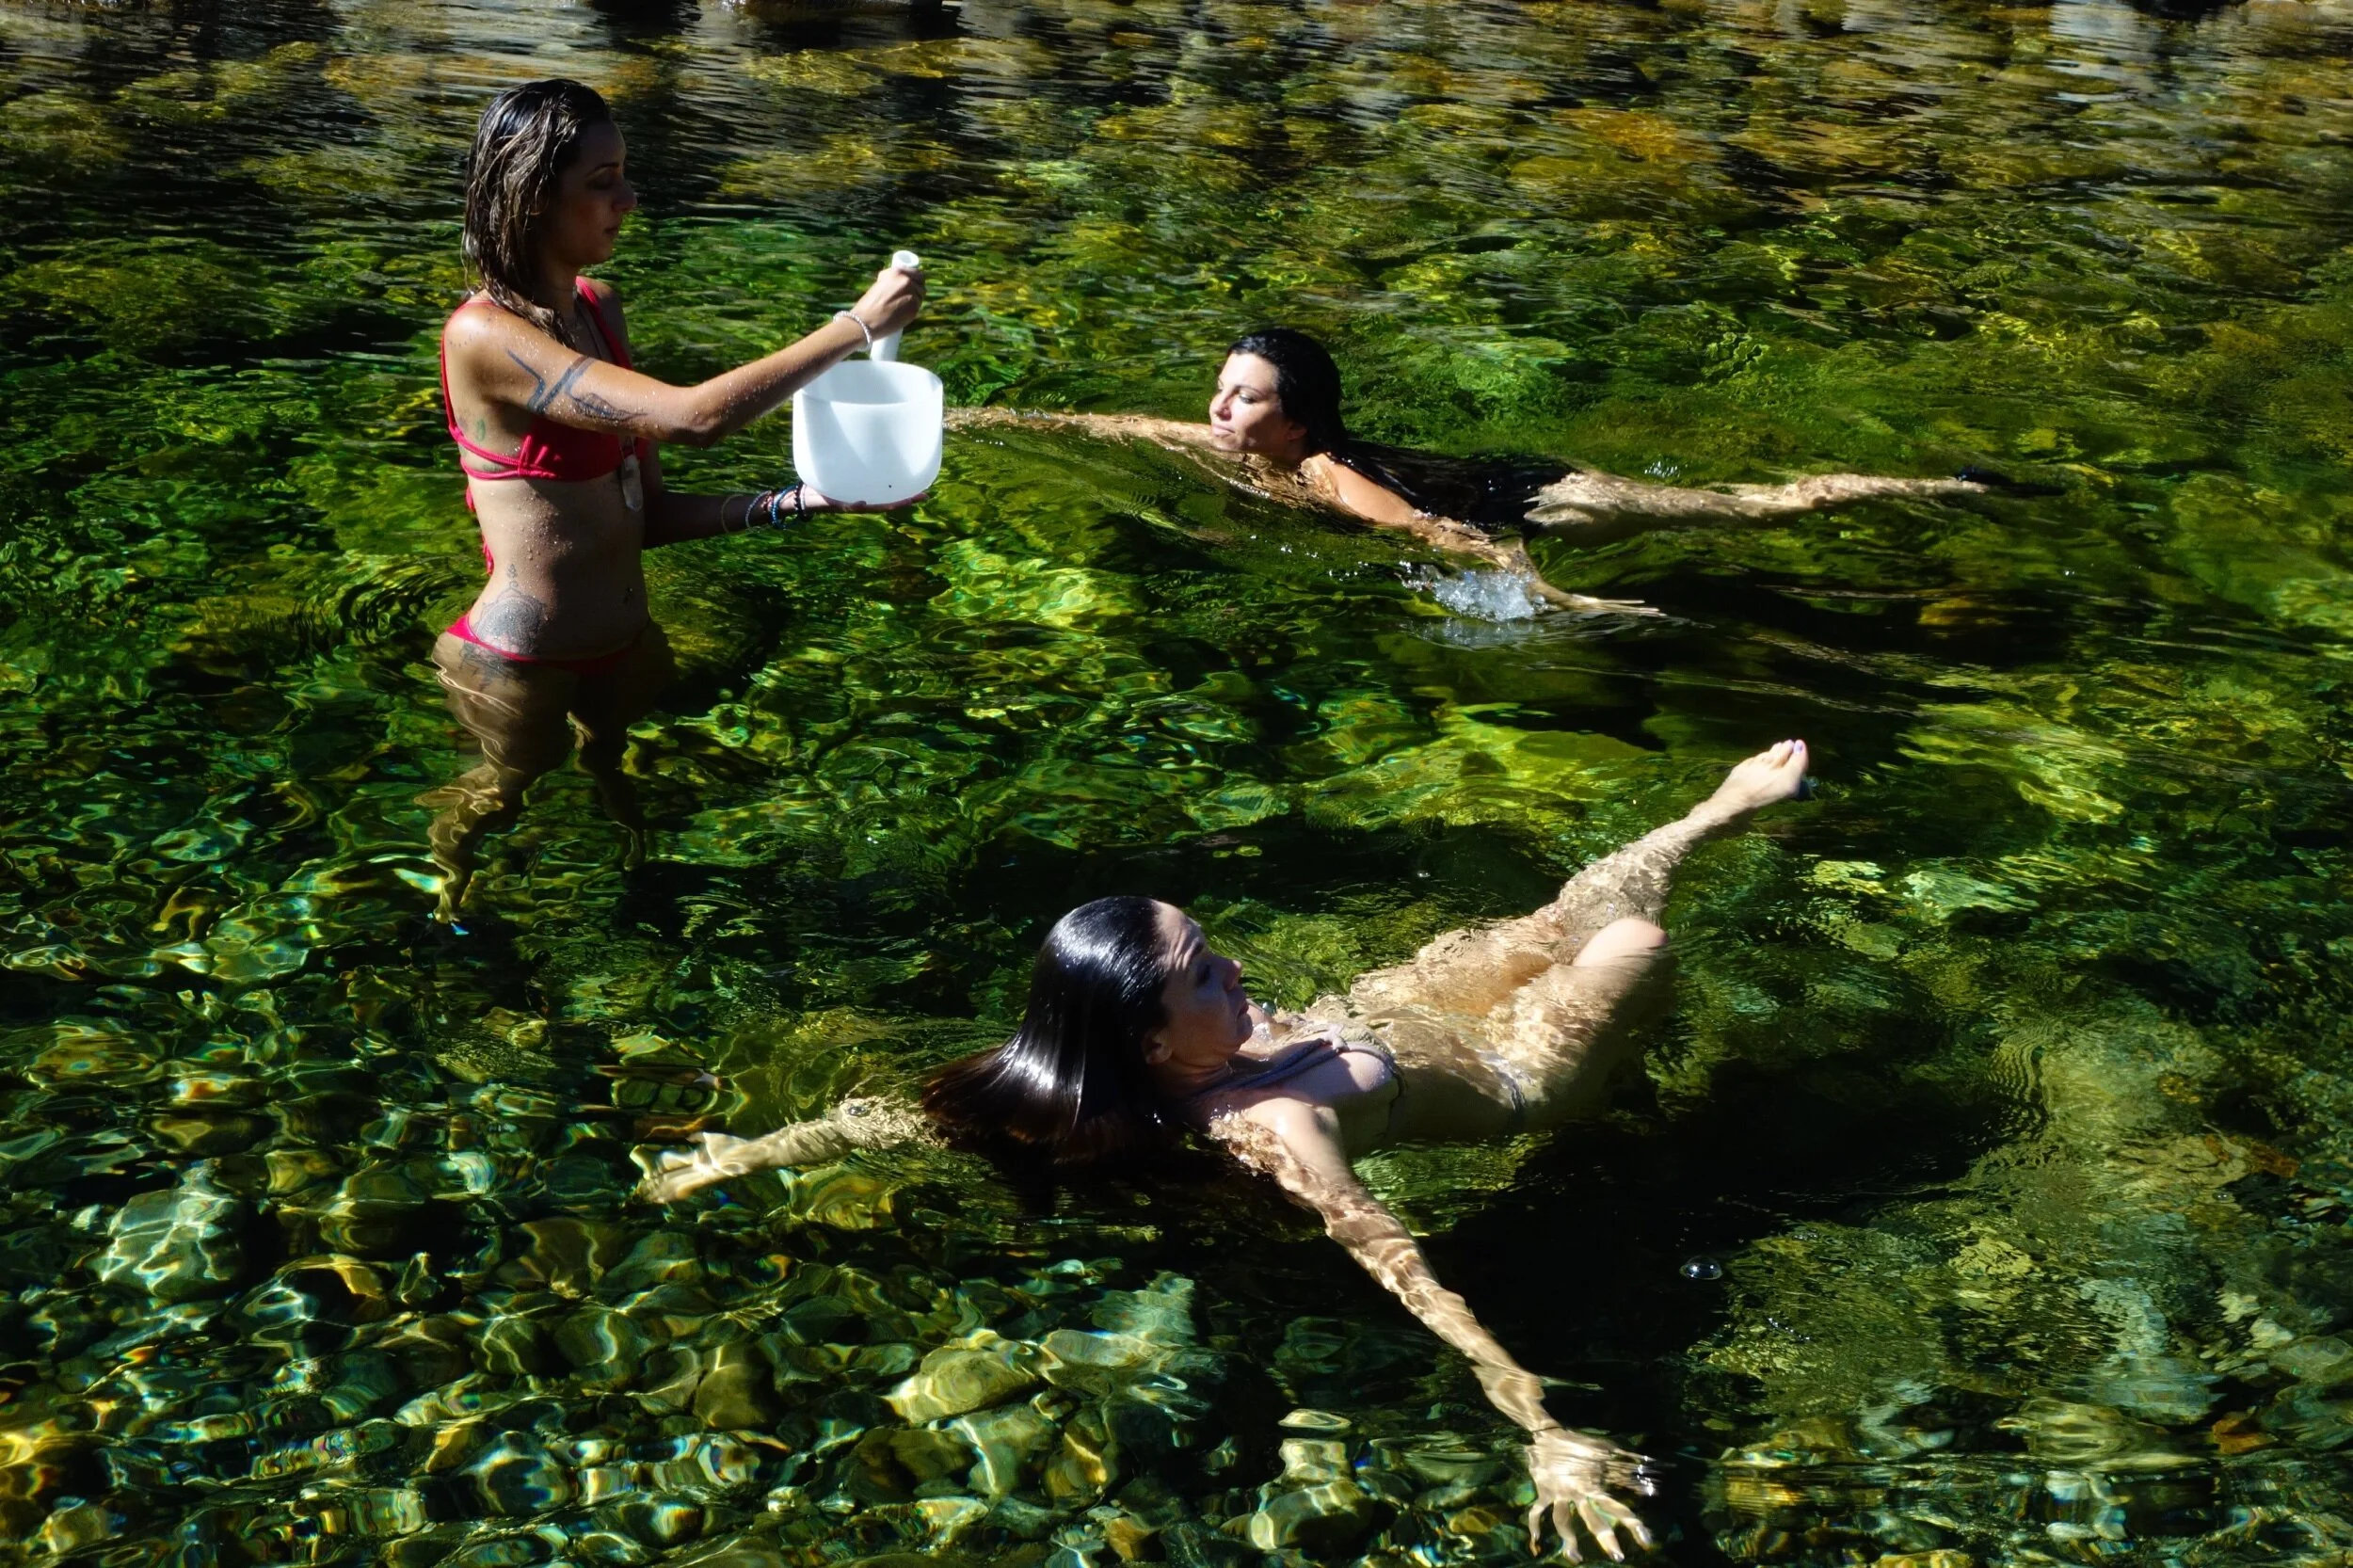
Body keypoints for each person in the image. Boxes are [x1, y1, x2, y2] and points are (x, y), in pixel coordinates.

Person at [642, 737, 1819, 1562]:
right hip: (1514, 1069)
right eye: (1207, 972)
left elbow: (891, 1118)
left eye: (1214, 946)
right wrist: (1544, 1430)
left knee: (1565, 913)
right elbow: (1406, 1274)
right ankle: (1643, 1087)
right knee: (1628, 942)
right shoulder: (1278, 1132)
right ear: (1151, 1039)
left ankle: (1714, 810)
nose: (1237, 966)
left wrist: (743, 1154)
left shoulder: (1105, 1058)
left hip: (1390, 1009)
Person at [422, 77, 924, 922]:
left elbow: (645, 515)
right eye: (603, 180)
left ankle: (632, 889)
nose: (629, 197)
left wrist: (803, 501)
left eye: (625, 173)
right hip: (521, 662)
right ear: (535, 196)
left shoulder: (597, 309)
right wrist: (856, 328)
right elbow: (694, 418)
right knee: (497, 797)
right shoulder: (483, 336)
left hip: (625, 644)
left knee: (615, 773)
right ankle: (442, 910)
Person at [952, 328, 2000, 615]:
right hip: (1479, 479)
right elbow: (1105, 425)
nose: (1218, 409)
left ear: (1298, 417)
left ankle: (1944, 489)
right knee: (1738, 516)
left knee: (1746, 512)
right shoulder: (1223, 443)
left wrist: (1560, 598)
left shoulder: (1323, 476)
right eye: (1220, 390)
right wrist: (982, 414)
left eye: (1246, 397)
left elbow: (1442, 539)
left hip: (1531, 497)